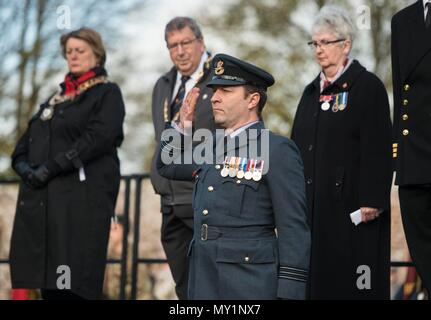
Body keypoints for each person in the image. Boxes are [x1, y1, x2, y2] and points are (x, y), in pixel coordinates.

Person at [157, 53, 311, 300]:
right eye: (215, 90)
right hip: (203, 278)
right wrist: (182, 125)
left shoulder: (276, 148)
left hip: (248, 282)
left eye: (226, 91)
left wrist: (289, 292)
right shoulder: (211, 144)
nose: (215, 98)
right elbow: (167, 165)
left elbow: (293, 227)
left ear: (253, 99)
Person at [9, 27, 125, 300]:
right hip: (44, 205)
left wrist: (53, 166)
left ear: (96, 55)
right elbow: (23, 146)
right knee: (48, 284)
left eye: (80, 50)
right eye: (69, 51)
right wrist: (25, 168)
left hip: (80, 204)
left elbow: (100, 137)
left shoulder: (106, 93)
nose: (73, 56)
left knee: (74, 285)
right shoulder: (54, 100)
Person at [291, 6, 392, 299]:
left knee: (354, 283)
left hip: (354, 209)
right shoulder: (310, 93)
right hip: (314, 209)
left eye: (326, 42)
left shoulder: (367, 86)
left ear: (345, 44)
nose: (319, 50)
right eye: (314, 43)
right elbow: (297, 146)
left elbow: (379, 146)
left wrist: (372, 198)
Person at [150, 16, 216, 300]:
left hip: (206, 197)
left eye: (186, 42)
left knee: (215, 285)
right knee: (184, 287)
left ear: (200, 43)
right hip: (170, 201)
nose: (180, 51)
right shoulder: (163, 85)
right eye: (172, 45)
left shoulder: (221, 80)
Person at [391, 0, 431, 295]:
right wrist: (398, 159)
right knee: (423, 257)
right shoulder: (403, 20)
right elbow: (400, 93)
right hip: (414, 164)